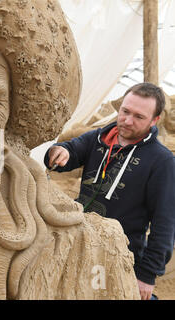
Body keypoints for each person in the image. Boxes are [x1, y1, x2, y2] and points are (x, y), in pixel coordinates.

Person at [45, 82, 175, 300]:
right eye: (125, 111)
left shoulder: (162, 161)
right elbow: (72, 150)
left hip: (119, 256)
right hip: (76, 242)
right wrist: (59, 151)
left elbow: (165, 223)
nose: (127, 120)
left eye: (139, 117)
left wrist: (147, 276)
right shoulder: (98, 138)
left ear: (155, 120)